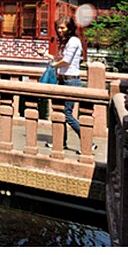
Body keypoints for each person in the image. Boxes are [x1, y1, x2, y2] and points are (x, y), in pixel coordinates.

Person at [38, 15, 94, 153]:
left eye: (62, 27)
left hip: (71, 81)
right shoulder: (67, 41)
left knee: (67, 114)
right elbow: (60, 59)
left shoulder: (74, 41)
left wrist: (53, 64)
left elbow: (66, 62)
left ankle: (89, 143)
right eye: (58, 27)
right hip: (63, 79)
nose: (60, 30)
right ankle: (60, 142)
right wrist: (46, 55)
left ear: (70, 28)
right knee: (59, 112)